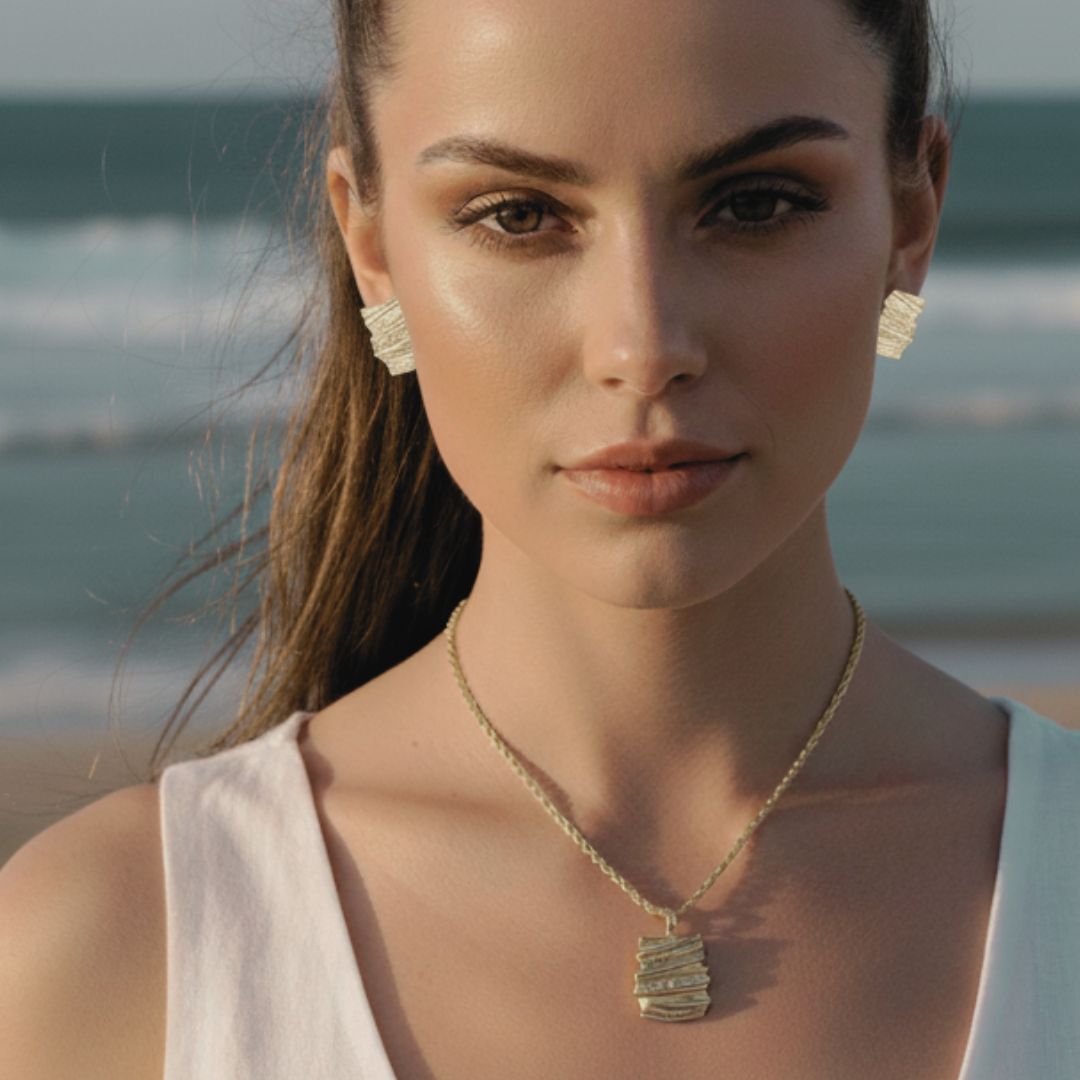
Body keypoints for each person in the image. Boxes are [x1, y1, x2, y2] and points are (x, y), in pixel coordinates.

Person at [2, 0, 1078, 1076]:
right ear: (370, 247)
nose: (642, 346)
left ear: (913, 214)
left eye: (755, 204)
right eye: (518, 215)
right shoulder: (107, 947)